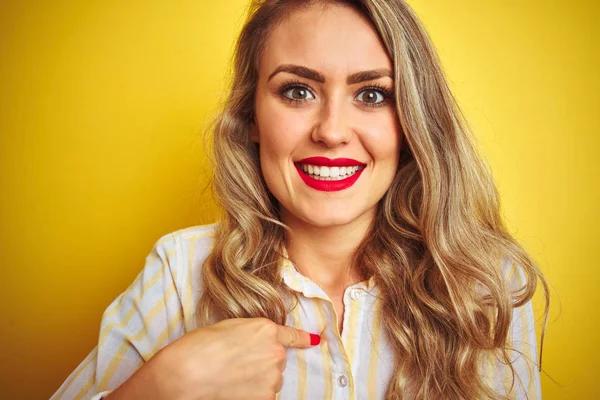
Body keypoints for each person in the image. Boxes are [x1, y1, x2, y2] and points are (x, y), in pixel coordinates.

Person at [51, 0, 550, 399]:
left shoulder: (485, 285)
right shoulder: (180, 273)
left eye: (372, 95)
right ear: (250, 118)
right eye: (297, 91)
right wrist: (160, 390)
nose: (332, 131)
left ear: (413, 121)